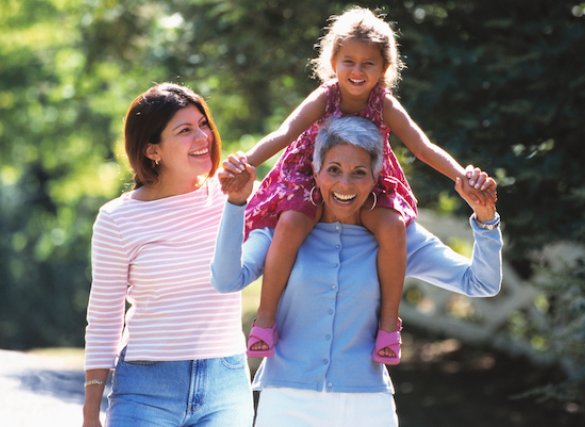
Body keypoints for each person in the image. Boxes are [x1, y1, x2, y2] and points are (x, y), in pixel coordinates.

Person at [222, 6, 495, 363]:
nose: (357, 71)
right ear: (333, 60)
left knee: (394, 225)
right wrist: (247, 163)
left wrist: (463, 176)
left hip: (368, 178)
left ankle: (388, 325)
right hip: (311, 174)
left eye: (369, 63)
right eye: (348, 61)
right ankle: (266, 317)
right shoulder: (325, 96)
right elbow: (285, 132)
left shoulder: (384, 103)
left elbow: (422, 147)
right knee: (290, 222)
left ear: (384, 68)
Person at [212, 115, 502, 427]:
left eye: (359, 172)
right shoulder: (282, 231)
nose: (345, 184)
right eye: (333, 170)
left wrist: (486, 220)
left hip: (367, 406)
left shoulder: (398, 238)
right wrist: (236, 204)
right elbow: (227, 280)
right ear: (316, 170)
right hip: (286, 402)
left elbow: (481, 283)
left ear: (376, 177)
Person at [82, 83, 254, 427]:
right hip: (145, 389)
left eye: (204, 124)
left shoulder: (235, 197)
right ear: (152, 150)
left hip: (226, 382)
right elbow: (104, 319)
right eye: (185, 130)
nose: (203, 136)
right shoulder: (117, 219)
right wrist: (91, 413)